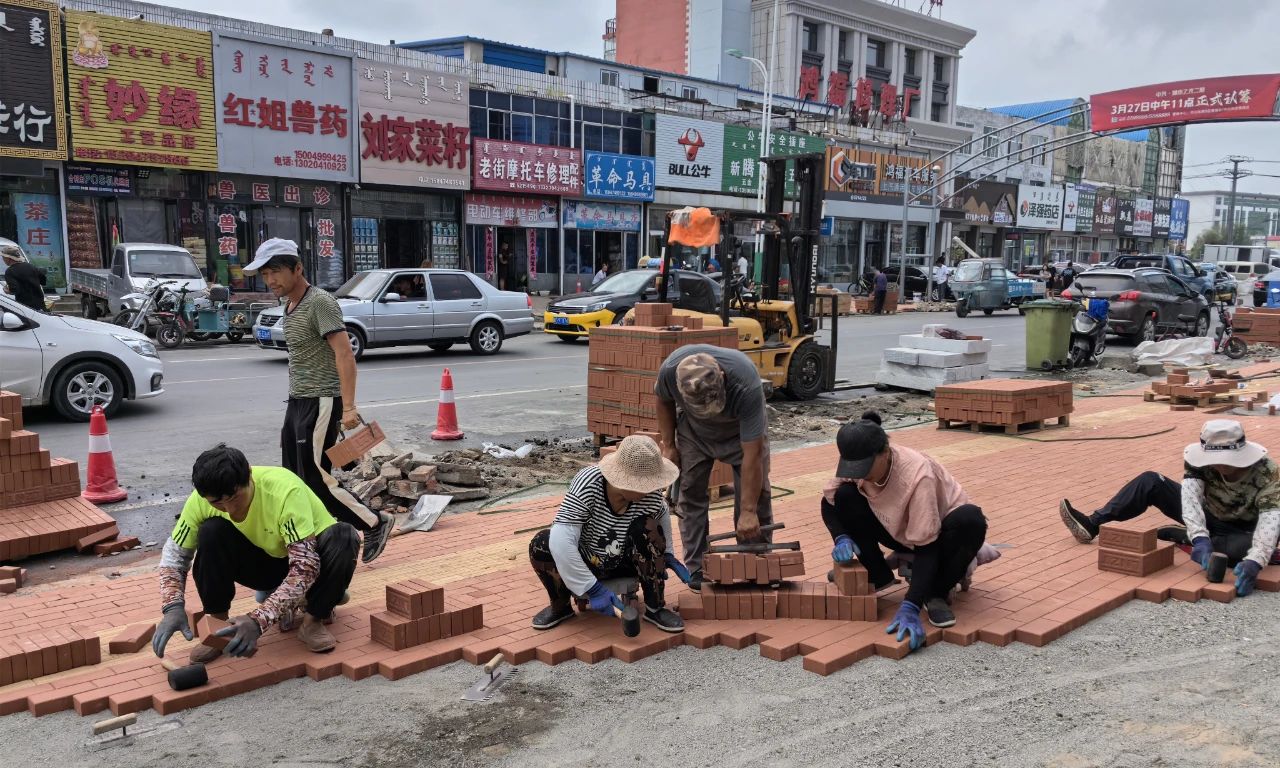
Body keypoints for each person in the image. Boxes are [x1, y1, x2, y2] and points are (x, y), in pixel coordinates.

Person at [242, 238, 394, 564]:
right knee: (293, 477)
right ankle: (312, 539)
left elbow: (344, 354)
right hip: (298, 400)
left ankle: (375, 521)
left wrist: (349, 407)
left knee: (315, 476)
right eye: (265, 275)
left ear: (298, 268)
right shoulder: (289, 305)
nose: (271, 281)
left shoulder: (320, 302)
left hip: (322, 400)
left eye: (276, 273)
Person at [151, 444, 359, 662]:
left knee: (344, 536)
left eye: (234, 498)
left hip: (312, 561)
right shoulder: (200, 501)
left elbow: (305, 567)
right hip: (268, 566)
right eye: (217, 503)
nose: (229, 509)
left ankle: (313, 619)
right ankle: (219, 627)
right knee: (210, 532)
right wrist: (172, 607)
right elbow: (175, 556)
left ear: (249, 475)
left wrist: (258, 621)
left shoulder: (284, 490)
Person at [821, 412, 988, 651]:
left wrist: (911, 603)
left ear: (885, 452)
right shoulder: (858, 463)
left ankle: (936, 593)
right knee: (845, 495)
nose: (860, 474)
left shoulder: (918, 476)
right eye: (854, 467)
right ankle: (878, 575)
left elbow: (927, 547)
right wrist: (841, 536)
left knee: (971, 519)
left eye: (865, 468)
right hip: (900, 529)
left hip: (942, 535)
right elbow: (829, 503)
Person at [1059, 419, 1280, 596]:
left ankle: (1190, 537)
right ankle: (1092, 524)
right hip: (1211, 516)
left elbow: (1270, 522)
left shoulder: (1267, 472)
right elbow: (1190, 499)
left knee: (1239, 552)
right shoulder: (1199, 460)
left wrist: (1256, 561)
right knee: (1151, 481)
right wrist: (1200, 538)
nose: (1219, 465)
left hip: (1245, 530)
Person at [528, 435, 688, 632]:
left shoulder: (650, 495)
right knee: (542, 543)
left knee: (647, 528)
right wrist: (593, 589)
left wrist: (667, 553)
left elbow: (661, 514)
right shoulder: (588, 483)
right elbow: (562, 540)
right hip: (588, 560)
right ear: (623, 481)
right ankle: (561, 607)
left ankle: (655, 607)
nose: (653, 489)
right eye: (645, 485)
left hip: (625, 561)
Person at [656, 346, 773, 590]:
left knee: (755, 497)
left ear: (723, 376)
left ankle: (755, 563)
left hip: (739, 436)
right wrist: (668, 445)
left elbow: (753, 454)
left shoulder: (745, 383)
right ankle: (698, 567)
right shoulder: (670, 371)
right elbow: (663, 400)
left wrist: (748, 510)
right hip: (694, 434)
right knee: (690, 495)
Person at [1, 244, 45, 312]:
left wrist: (7, 290)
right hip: (40, 307)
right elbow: (43, 281)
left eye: (3, 257)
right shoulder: (31, 267)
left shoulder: (10, 271)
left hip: (25, 308)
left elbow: (15, 290)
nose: (3, 259)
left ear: (8, 258)